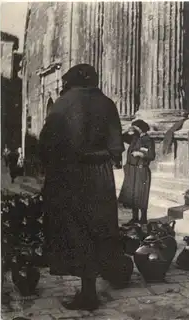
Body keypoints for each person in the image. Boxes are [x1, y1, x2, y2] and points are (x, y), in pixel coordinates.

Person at [39, 63, 132, 311]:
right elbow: (116, 147)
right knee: (97, 227)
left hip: (70, 174)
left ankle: (88, 293)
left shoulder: (63, 103)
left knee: (74, 229)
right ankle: (89, 289)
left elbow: (46, 142)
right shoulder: (107, 103)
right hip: (100, 176)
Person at [118, 119, 156, 225]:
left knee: (141, 195)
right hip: (132, 170)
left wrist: (140, 154)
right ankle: (134, 218)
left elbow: (151, 155)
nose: (135, 130)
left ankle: (143, 219)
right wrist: (128, 130)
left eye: (136, 128)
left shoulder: (147, 139)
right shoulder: (135, 138)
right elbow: (121, 137)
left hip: (141, 169)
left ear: (140, 128)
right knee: (132, 195)